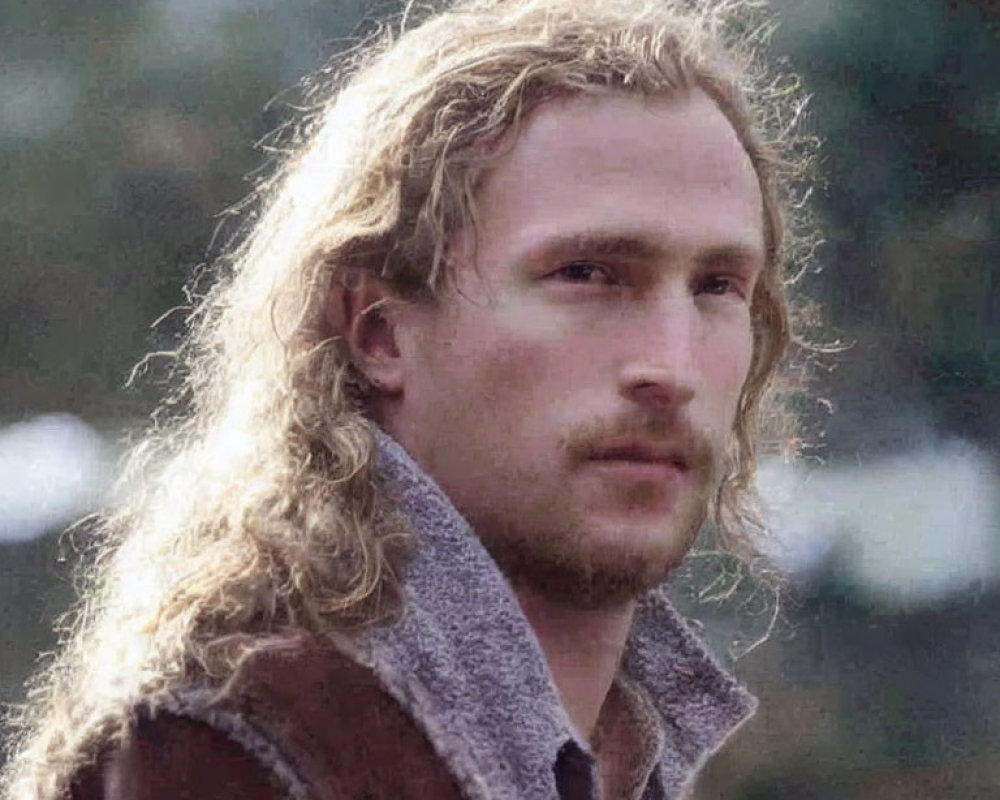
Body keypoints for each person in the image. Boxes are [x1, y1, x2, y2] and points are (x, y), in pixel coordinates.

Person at [1, 0, 815, 798]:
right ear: (378, 331)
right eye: (587, 273)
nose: (671, 367)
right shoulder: (236, 751)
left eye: (717, 286)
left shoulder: (621, 750)